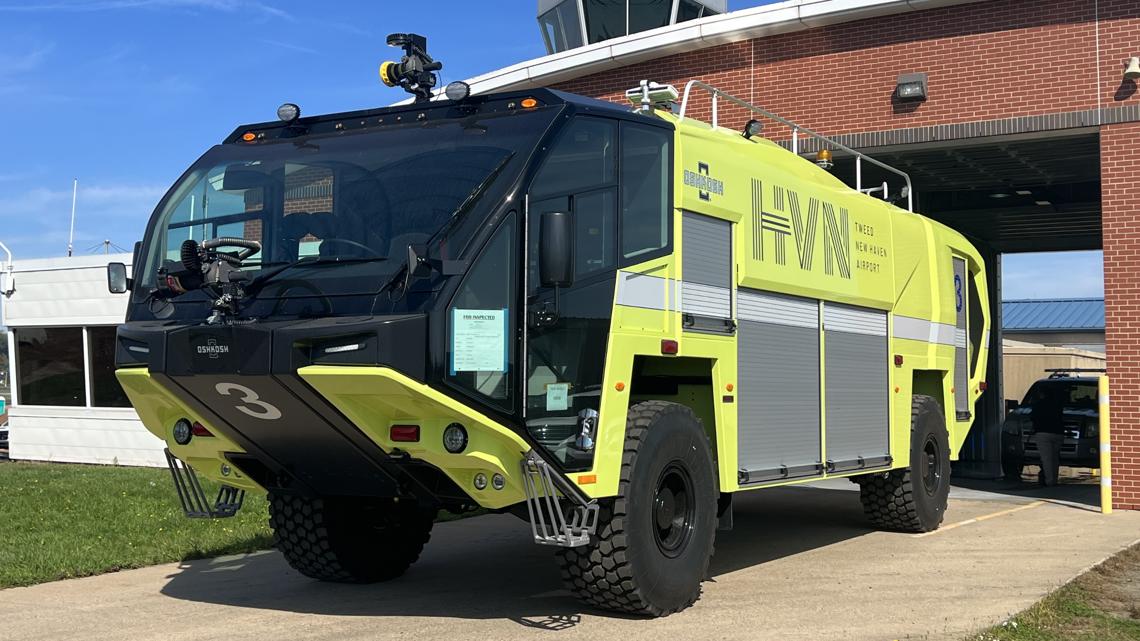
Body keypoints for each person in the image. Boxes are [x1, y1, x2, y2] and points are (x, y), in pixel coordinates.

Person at [1030, 387, 1066, 487]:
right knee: (1055, 458)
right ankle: (1054, 479)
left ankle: (1049, 481)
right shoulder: (1057, 404)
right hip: (1058, 433)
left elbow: (1033, 417)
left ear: (1042, 394)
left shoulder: (1038, 405)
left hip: (1043, 433)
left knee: (1046, 459)